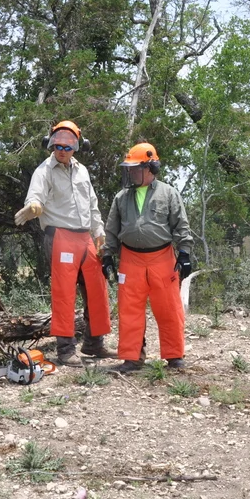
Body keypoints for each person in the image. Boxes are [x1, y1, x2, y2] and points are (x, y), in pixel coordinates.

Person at [14, 121, 113, 366]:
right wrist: (34, 205)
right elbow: (35, 195)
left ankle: (94, 343)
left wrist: (99, 235)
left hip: (85, 237)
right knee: (64, 293)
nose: (62, 151)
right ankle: (66, 349)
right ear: (51, 144)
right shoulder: (44, 170)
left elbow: (92, 205)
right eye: (58, 146)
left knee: (97, 289)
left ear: (77, 147)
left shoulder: (82, 171)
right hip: (60, 236)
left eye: (67, 148)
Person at [102, 142, 193, 373]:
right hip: (130, 259)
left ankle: (174, 357)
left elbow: (181, 226)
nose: (130, 172)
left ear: (151, 167)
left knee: (169, 309)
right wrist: (107, 256)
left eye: (135, 168)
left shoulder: (168, 193)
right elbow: (111, 230)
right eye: (129, 168)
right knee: (129, 310)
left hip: (162, 257)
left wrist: (184, 254)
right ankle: (132, 358)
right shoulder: (121, 198)